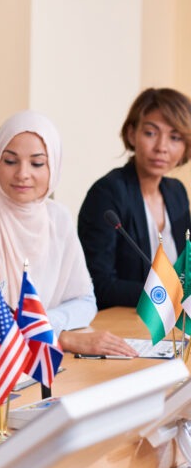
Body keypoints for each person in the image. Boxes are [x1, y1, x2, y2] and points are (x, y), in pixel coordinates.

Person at [0, 111, 136, 358]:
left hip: (41, 357)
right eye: (10, 161)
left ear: (53, 165)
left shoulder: (58, 217)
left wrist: (41, 327)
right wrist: (60, 336)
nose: (23, 174)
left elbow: (85, 302)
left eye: (37, 163)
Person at [79, 88, 191, 309]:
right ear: (132, 134)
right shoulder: (107, 193)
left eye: (175, 137)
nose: (161, 147)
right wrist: (169, 295)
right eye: (150, 133)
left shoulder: (177, 192)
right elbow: (98, 285)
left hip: (172, 323)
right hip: (123, 323)